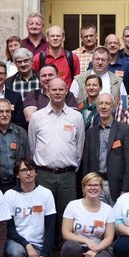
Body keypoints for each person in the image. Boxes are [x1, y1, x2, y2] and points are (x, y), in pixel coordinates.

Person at [0, 158, 57, 257]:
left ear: (36, 173)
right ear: (17, 175)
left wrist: (44, 254)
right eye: (24, 170)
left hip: (38, 246)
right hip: (17, 244)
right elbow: (10, 228)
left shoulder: (46, 194)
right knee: (16, 254)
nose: (28, 173)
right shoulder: (10, 195)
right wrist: (27, 245)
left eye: (31, 169)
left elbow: (50, 228)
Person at [28, 77, 85, 217]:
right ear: (47, 91)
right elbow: (32, 146)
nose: (57, 92)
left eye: (61, 89)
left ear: (66, 91)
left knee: (66, 216)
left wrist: (71, 168)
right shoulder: (37, 117)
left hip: (68, 176)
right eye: (54, 89)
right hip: (43, 175)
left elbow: (79, 147)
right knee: (42, 214)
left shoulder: (76, 117)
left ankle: (65, 240)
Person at [60, 173, 116, 257]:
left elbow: (109, 237)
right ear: (83, 188)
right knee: (69, 247)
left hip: (98, 248)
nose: (93, 188)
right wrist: (86, 241)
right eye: (89, 185)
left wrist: (96, 249)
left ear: (101, 188)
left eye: (96, 185)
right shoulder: (73, 206)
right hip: (77, 248)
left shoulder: (108, 209)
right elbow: (66, 233)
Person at [82, 93, 129, 205]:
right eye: (100, 103)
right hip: (95, 185)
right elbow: (86, 162)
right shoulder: (91, 133)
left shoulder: (125, 130)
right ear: (96, 107)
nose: (103, 106)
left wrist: (126, 189)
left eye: (107, 103)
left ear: (113, 107)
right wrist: (85, 186)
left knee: (116, 220)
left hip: (117, 186)